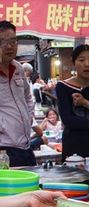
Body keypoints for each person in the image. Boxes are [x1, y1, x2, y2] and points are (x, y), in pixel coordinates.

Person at [0, 21, 37, 167]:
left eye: (13, 41)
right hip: (3, 148)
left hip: (25, 145)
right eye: (2, 41)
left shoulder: (18, 68)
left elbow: (28, 97)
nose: (9, 46)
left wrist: (29, 116)